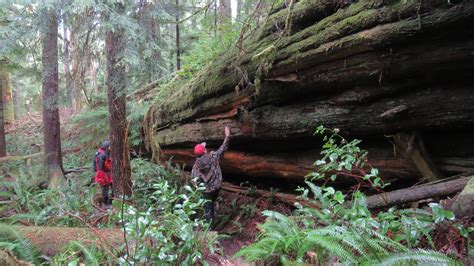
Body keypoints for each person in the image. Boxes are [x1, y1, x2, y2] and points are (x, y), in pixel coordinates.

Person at [191, 126, 230, 223]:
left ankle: (210, 228)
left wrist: (199, 188)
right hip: (217, 187)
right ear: (204, 151)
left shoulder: (196, 166)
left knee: (207, 207)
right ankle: (212, 226)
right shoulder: (213, 157)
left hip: (207, 191)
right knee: (211, 203)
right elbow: (222, 148)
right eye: (204, 148)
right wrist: (227, 136)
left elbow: (194, 180)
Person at [94, 140, 114, 208]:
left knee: (113, 186)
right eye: (110, 146)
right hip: (103, 174)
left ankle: (112, 201)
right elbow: (100, 168)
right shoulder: (101, 155)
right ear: (107, 147)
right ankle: (106, 204)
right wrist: (103, 177)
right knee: (105, 190)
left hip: (109, 173)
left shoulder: (107, 152)